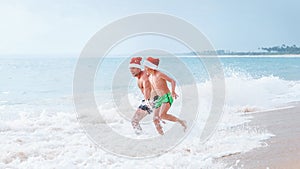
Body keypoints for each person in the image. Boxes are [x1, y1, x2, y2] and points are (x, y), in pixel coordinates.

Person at [144, 57, 187, 135]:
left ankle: (181, 122)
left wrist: (173, 91)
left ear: (151, 67)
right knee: (155, 119)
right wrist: (150, 100)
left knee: (162, 115)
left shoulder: (159, 74)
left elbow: (172, 81)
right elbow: (154, 90)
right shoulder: (150, 77)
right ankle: (162, 136)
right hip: (160, 99)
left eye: (146, 67)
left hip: (167, 97)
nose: (145, 69)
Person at [129, 57, 158, 135]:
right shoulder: (142, 75)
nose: (131, 70)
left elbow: (147, 87)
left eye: (134, 68)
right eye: (130, 68)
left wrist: (147, 102)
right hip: (154, 100)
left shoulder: (143, 77)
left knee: (134, 121)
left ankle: (140, 137)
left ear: (139, 69)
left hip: (153, 100)